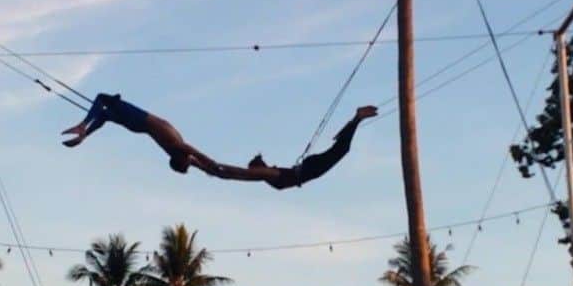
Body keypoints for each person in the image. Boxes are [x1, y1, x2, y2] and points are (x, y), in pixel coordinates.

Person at [62, 94, 377, 189]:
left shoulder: (176, 147)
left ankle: (357, 118)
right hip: (301, 172)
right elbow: (212, 166)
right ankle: (83, 128)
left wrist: (209, 165)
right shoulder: (274, 176)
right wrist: (208, 165)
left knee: (106, 103)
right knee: (106, 109)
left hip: (300, 173)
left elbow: (210, 164)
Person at [203, 105, 378, 190]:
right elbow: (236, 176)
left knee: (340, 150)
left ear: (257, 168)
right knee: (339, 149)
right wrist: (213, 168)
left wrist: (216, 166)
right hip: (310, 168)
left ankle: (358, 117)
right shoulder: (266, 177)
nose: (252, 173)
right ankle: (356, 119)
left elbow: (239, 173)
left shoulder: (268, 174)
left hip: (310, 169)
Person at [61, 93, 215, 174]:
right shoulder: (181, 152)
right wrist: (237, 173)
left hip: (139, 120)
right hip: (138, 123)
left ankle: (82, 128)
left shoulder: (179, 149)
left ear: (180, 161)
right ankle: (84, 132)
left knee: (103, 99)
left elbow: (207, 162)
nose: (191, 163)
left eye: (187, 165)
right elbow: (213, 169)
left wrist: (214, 166)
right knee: (104, 114)